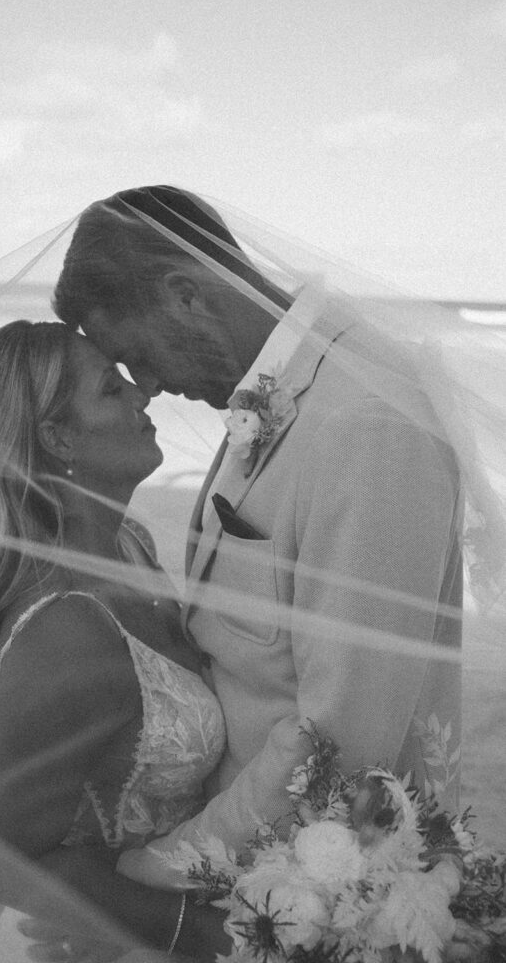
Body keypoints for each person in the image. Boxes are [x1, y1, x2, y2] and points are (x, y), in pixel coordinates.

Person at [53, 185, 466, 889]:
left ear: (186, 296)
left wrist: (156, 869)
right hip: (249, 853)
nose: (146, 387)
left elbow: (341, 739)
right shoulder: (282, 388)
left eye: (138, 356)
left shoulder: (366, 423)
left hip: (319, 880)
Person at [0, 319, 232, 961]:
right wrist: (194, 932)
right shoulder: (67, 626)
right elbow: (7, 860)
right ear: (59, 437)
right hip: (100, 939)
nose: (140, 397)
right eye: (110, 389)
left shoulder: (130, 549)